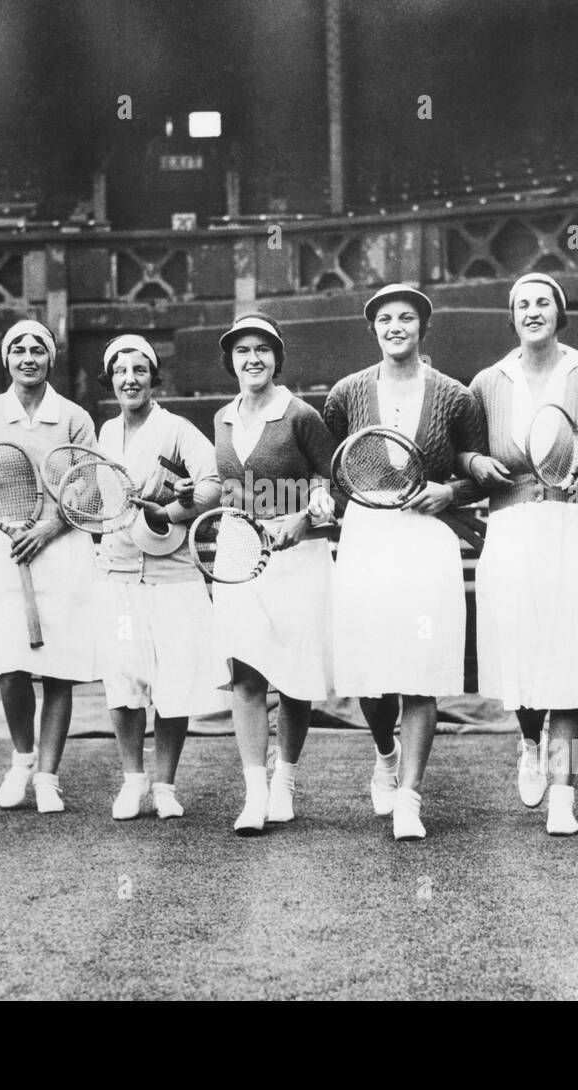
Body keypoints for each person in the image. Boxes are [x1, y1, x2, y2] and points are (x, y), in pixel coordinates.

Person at [466, 274, 578, 835]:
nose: (533, 312)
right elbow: (465, 448)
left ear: (560, 314)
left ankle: (564, 793)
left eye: (543, 303)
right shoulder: (489, 381)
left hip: (576, 528)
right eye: (522, 305)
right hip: (512, 527)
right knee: (521, 650)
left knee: (571, 658)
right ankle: (529, 740)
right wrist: (472, 466)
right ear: (511, 317)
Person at [322, 283, 486, 841]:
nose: (396, 327)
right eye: (385, 319)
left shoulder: (455, 396)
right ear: (373, 328)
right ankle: (385, 754)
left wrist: (450, 494)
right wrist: (324, 502)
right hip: (367, 541)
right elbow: (334, 476)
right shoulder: (345, 394)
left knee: (420, 673)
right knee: (371, 677)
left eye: (407, 318)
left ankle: (410, 797)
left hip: (427, 540)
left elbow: (472, 470)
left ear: (423, 327)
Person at [0, 319, 100, 814]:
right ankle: (21, 761)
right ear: (7, 359)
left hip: (61, 547)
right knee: (12, 667)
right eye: (18, 349)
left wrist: (51, 527)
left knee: (58, 670)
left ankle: (48, 776)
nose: (27, 357)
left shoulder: (75, 417)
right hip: (8, 544)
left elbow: (92, 487)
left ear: (50, 358)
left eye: (37, 349)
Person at [211, 313, 337, 835]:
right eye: (243, 351)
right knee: (245, 673)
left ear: (276, 358)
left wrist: (305, 515)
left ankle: (284, 780)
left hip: (298, 558)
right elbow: (223, 487)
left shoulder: (301, 414)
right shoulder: (221, 418)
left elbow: (330, 479)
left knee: (293, 676)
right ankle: (255, 790)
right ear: (232, 362)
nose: (253, 359)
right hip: (238, 555)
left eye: (263, 349)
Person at [93, 333, 227, 821]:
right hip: (119, 575)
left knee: (175, 683)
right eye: (121, 371)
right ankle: (133, 781)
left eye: (140, 370)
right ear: (111, 380)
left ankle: (165, 785)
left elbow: (212, 486)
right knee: (124, 681)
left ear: (154, 378)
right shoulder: (104, 435)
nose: (131, 379)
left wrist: (173, 510)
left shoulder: (177, 429)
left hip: (173, 578)